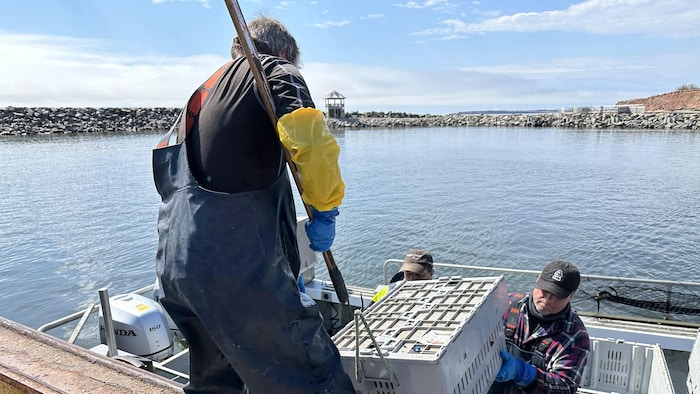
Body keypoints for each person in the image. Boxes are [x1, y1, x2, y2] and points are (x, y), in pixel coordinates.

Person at [152, 15, 354, 393]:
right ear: (282, 52)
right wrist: (325, 209)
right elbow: (310, 140)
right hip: (237, 271)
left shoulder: (198, 98)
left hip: (176, 270)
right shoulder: (273, 70)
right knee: (312, 379)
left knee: (216, 384)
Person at [490, 260, 590, 393]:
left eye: (557, 294)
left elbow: (565, 387)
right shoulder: (506, 304)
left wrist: (524, 373)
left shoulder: (575, 335)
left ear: (571, 296)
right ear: (537, 280)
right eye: (545, 289)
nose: (547, 298)